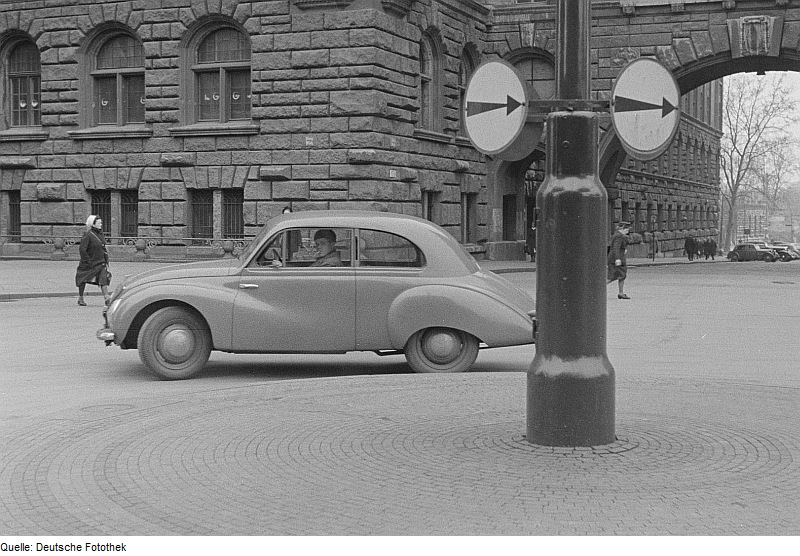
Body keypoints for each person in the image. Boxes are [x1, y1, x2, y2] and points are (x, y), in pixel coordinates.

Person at [75, 215, 110, 306]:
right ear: (93, 224)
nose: (101, 224)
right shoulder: (88, 235)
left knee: (103, 279)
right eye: (99, 223)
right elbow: (82, 249)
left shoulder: (100, 234)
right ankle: (80, 298)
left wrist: (105, 258)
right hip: (89, 262)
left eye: (101, 222)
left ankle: (107, 298)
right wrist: (87, 260)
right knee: (82, 279)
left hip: (100, 262)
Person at [607, 221, 631, 299]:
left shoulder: (618, 235)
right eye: (626, 229)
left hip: (618, 258)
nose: (628, 230)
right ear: (622, 228)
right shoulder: (619, 236)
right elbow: (616, 248)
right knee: (612, 276)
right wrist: (617, 259)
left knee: (621, 276)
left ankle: (621, 293)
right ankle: (598, 289)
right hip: (617, 259)